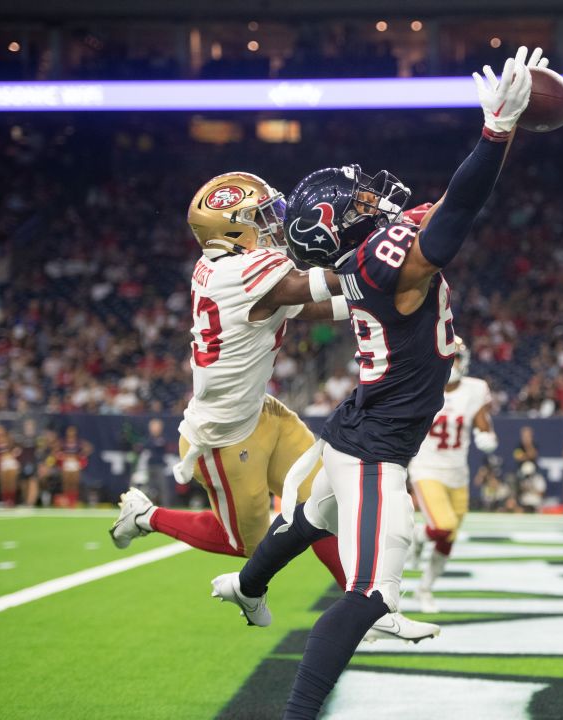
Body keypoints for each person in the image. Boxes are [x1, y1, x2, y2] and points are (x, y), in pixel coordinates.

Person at [208, 46, 541, 719]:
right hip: (374, 447)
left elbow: (446, 206)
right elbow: (453, 218)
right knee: (370, 593)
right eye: (357, 197)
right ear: (344, 222)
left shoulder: (368, 254)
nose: (372, 194)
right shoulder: (388, 258)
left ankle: (246, 586)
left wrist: (502, 133)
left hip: (360, 424)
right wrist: (497, 131)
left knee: (311, 518)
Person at [106, 171, 429, 643]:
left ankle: (367, 610)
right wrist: (399, 257)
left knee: (322, 505)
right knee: (248, 546)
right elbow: (325, 286)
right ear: (231, 231)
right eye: (262, 216)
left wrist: (387, 301)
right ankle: (145, 516)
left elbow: (310, 307)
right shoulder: (244, 271)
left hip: (263, 413)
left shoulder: (231, 267)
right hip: (223, 437)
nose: (276, 221)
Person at [407, 338, 497, 613]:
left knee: (448, 537)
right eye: (446, 357)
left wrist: (487, 436)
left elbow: (483, 423)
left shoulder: (476, 389)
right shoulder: (422, 384)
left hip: (459, 474)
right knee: (443, 525)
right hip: (427, 468)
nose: (451, 364)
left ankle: (424, 589)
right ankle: (415, 536)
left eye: (455, 358)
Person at [55, 425, 92, 507]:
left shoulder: (78, 442)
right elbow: (56, 450)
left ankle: (73, 501)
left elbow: (89, 448)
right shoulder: (63, 442)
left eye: (73, 431)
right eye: (69, 431)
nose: (71, 433)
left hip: (75, 463)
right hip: (66, 463)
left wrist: (81, 455)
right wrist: (62, 456)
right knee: (66, 482)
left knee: (74, 482)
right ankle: (66, 500)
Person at [15, 418, 41, 507]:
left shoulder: (37, 438)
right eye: (27, 426)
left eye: (31, 426)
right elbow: (17, 452)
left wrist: (41, 464)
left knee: (33, 481)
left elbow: (40, 452)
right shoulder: (20, 438)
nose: (29, 427)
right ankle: (25, 501)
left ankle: (31, 502)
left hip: (34, 463)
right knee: (23, 483)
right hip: (23, 463)